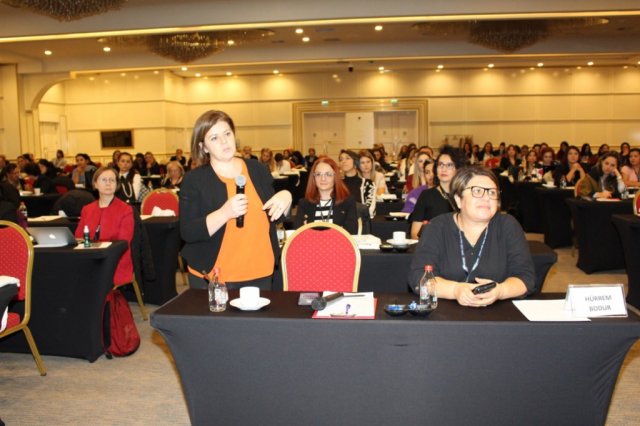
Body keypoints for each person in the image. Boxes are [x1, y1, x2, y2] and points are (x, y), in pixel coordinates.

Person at [180, 110, 292, 290]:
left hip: (260, 270)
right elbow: (188, 232)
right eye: (214, 138)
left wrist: (286, 196)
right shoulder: (194, 180)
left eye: (227, 134)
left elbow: (275, 215)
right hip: (215, 276)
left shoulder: (257, 169)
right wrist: (224, 214)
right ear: (203, 147)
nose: (224, 141)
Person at [408, 166, 535, 307]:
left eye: (492, 192)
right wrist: (455, 290)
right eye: (477, 191)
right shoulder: (437, 227)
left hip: (498, 314)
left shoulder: (508, 226)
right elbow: (419, 277)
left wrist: (501, 291)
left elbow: (526, 278)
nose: (487, 198)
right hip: (444, 313)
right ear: (458, 199)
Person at [75, 167, 134, 287]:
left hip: (115, 261)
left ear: (116, 185)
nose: (108, 183)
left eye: (112, 180)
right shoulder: (87, 209)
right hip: (89, 258)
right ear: (95, 184)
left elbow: (124, 243)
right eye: (104, 180)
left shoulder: (126, 210)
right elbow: (79, 237)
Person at [409, 148, 463, 239]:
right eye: (440, 165)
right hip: (433, 245)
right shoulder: (426, 196)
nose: (443, 169)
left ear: (457, 169)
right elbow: (414, 234)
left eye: (449, 165)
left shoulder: (465, 195)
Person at [294, 156, 357, 234]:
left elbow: (351, 234)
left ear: (335, 177)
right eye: (318, 174)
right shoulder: (304, 203)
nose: (323, 178)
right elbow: (298, 234)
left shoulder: (348, 202)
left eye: (328, 174)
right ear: (313, 178)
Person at [338, 150, 375, 218]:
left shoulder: (367, 184)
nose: (343, 161)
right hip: (340, 222)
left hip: (360, 222)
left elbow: (369, 210)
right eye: (341, 159)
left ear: (355, 162)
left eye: (347, 158)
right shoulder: (336, 184)